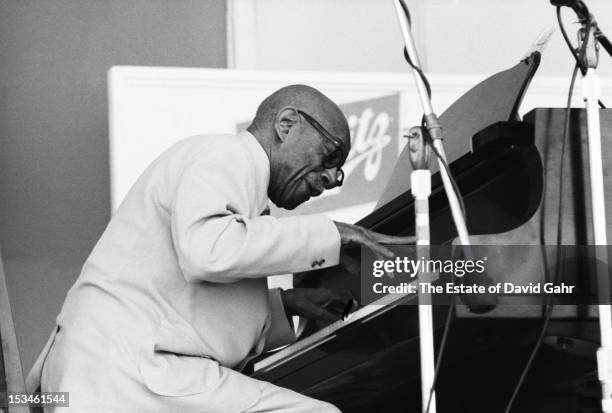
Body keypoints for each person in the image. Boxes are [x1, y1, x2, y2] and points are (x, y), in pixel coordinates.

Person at [26, 84, 412, 412]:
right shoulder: (224, 156)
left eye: (339, 169)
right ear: (287, 124)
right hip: (123, 373)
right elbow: (207, 252)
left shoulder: (235, 184)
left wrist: (287, 303)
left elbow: (183, 293)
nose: (331, 179)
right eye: (329, 155)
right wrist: (334, 233)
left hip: (112, 370)